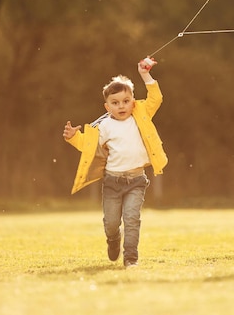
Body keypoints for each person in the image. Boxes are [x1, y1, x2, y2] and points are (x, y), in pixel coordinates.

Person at [63, 58, 168, 268]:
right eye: (115, 102)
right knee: (111, 223)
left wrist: (144, 74)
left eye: (126, 101)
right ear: (107, 106)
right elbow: (88, 145)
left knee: (132, 219)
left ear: (133, 101)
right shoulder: (103, 127)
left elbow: (155, 97)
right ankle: (113, 240)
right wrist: (73, 137)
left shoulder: (142, 114)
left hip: (137, 180)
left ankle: (131, 258)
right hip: (112, 182)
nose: (122, 106)